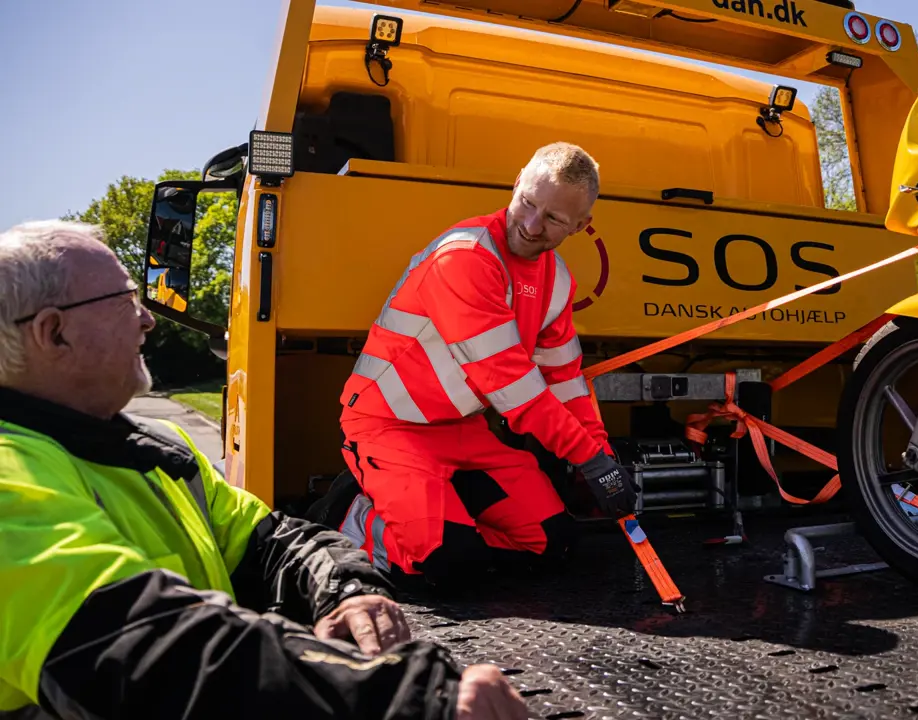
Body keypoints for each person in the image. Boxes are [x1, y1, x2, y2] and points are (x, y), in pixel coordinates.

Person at [0, 220, 527, 720]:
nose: (147, 319)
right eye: (124, 300)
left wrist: (347, 590)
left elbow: (272, 539)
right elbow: (146, 651)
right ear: (54, 332)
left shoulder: (156, 448)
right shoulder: (9, 479)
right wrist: (408, 699)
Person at [326, 142, 636, 588]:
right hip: (389, 428)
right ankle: (353, 515)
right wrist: (588, 460)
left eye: (553, 218)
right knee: (447, 565)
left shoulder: (557, 280)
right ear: (517, 182)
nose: (531, 225)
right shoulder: (465, 257)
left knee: (554, 543)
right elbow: (512, 387)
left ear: (580, 225)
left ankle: (443, 525)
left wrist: (602, 456)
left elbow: (565, 381)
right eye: (527, 202)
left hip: (463, 432)